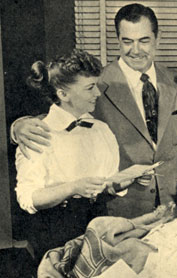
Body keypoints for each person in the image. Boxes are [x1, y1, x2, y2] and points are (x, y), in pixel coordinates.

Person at [12, 3, 177, 218]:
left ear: (157, 39)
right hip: (117, 213)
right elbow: (58, 115)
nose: (135, 50)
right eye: (127, 41)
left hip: (173, 208)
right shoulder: (94, 85)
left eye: (144, 41)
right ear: (118, 40)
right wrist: (18, 127)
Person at [15, 49, 119, 261]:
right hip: (56, 231)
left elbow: (107, 185)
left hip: (99, 223)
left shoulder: (101, 130)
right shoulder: (37, 134)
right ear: (63, 94)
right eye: (90, 88)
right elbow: (28, 198)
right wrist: (73, 187)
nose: (98, 93)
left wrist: (125, 181)